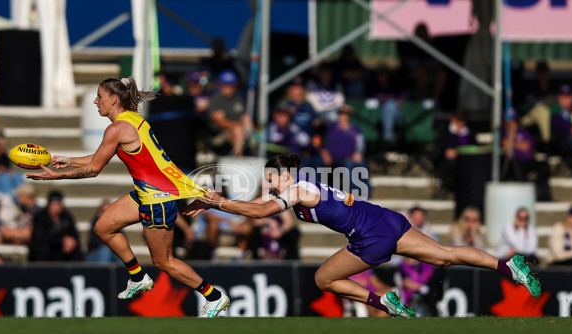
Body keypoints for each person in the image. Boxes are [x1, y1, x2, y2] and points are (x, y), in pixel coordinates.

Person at [183, 154, 542, 318]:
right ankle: (510, 268)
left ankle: (383, 302)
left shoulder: (295, 191)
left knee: (323, 278)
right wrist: (214, 205)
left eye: (271, 178)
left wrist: (217, 200)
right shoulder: (296, 188)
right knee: (445, 254)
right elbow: (256, 206)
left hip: (370, 236)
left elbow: (260, 211)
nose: (268, 184)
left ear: (285, 176)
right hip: (385, 219)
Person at [26, 76, 230, 317]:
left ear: (113, 100)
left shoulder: (117, 128)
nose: (95, 101)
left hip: (157, 199)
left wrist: (55, 177)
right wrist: (68, 161)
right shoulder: (131, 119)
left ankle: (214, 296)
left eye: (99, 97)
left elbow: (94, 169)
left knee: (164, 262)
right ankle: (137, 276)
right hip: (148, 194)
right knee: (103, 226)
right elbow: (99, 156)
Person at [321, 104, 371, 198]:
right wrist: (324, 153)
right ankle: (353, 193)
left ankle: (367, 192)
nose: (343, 116)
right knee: (348, 164)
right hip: (335, 158)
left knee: (361, 163)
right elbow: (322, 116)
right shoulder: (331, 127)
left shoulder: (355, 128)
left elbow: (360, 143)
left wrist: (358, 153)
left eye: (346, 114)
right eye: (341, 114)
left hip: (350, 156)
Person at [207, 69, 252, 156]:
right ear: (220, 85)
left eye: (231, 85)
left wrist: (251, 126)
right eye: (225, 85)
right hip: (220, 134)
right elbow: (221, 123)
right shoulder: (216, 100)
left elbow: (245, 117)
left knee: (256, 132)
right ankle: (239, 159)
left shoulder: (239, 99)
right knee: (238, 130)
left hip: (242, 130)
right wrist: (241, 125)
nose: (228, 88)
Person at [28, 190, 82, 262]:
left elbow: (74, 234)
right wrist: (61, 241)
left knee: (78, 252)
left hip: (63, 251)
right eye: (54, 204)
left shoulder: (66, 216)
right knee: (44, 250)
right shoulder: (41, 217)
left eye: (58, 204)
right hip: (47, 250)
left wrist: (71, 242)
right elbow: (40, 237)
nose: (56, 207)